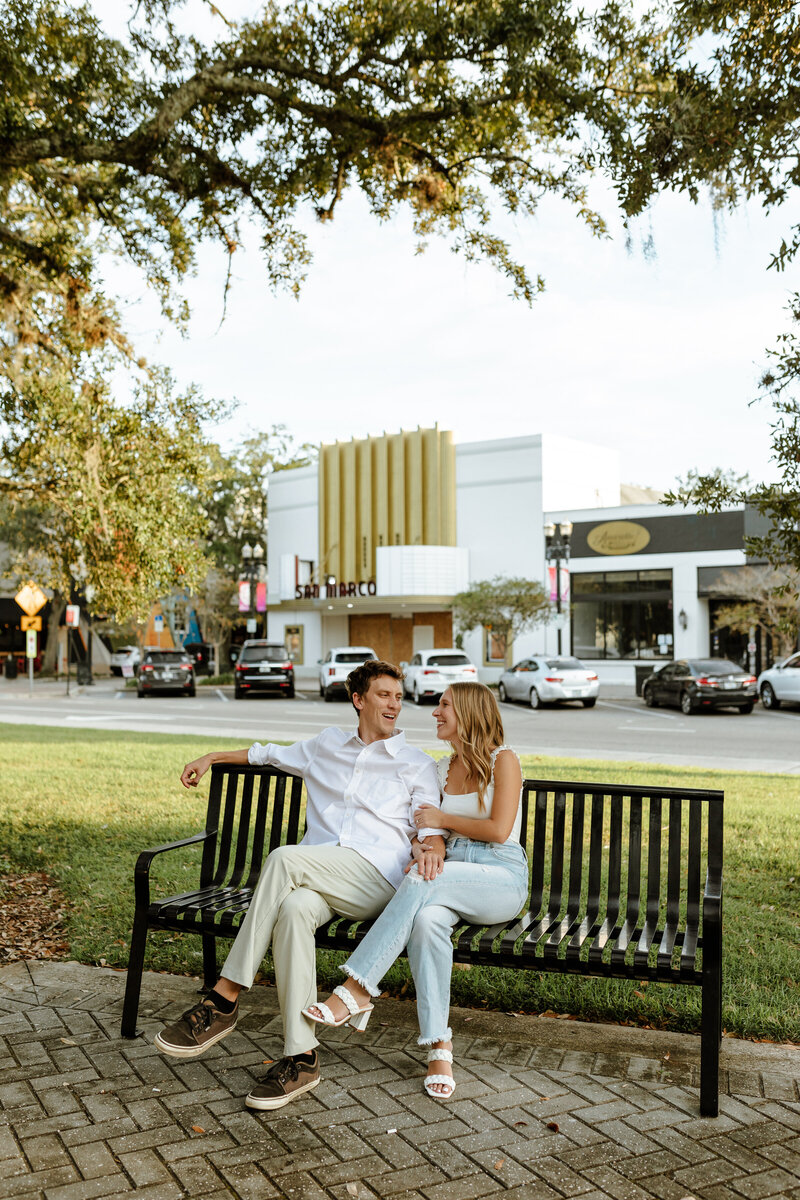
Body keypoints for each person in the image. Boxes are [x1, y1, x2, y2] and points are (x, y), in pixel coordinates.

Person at [154, 659, 444, 1110]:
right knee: (292, 913)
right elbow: (265, 753)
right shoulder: (326, 745)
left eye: (398, 697)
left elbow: (429, 825)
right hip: (321, 871)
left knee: (284, 858)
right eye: (384, 695)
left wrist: (430, 846)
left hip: (376, 879)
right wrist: (211, 757)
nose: (394, 704)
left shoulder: (416, 764)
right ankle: (301, 1057)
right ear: (359, 700)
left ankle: (225, 997)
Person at [304, 681, 528, 1100]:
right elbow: (423, 829)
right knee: (425, 922)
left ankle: (358, 988)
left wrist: (443, 819)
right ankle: (438, 1049)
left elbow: (499, 830)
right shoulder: (442, 769)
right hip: (451, 870)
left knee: (423, 881)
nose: (434, 713)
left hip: (501, 877)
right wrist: (421, 847)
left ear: (468, 712)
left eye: (444, 706)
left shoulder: (504, 760)